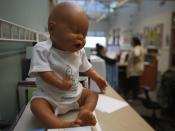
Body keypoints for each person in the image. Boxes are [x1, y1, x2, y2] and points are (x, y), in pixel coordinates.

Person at [28, 2, 107, 129]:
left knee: (92, 95)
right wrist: (61, 84)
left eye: (84, 34)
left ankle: (84, 112)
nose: (81, 38)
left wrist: (97, 78)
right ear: (52, 29)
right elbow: (43, 72)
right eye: (76, 31)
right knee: (36, 105)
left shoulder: (79, 52)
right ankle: (61, 124)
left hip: (75, 96)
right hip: (50, 98)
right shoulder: (42, 49)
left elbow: (87, 68)